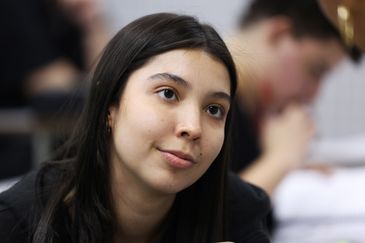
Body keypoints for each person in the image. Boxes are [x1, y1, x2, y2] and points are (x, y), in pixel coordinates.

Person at [0, 13, 270, 243]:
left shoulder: (237, 210)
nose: (192, 127)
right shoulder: (19, 220)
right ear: (110, 106)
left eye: (214, 110)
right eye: (168, 93)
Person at [225, 0, 361, 198]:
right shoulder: (203, 103)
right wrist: (280, 160)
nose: (312, 94)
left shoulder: (249, 111)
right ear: (279, 34)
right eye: (315, 70)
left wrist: (281, 169)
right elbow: (205, 223)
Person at [0, 0, 108, 179]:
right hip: (13, 151)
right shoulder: (14, 8)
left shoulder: (66, 15)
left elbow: (107, 71)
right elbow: (49, 82)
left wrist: (93, 22)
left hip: (44, 146)